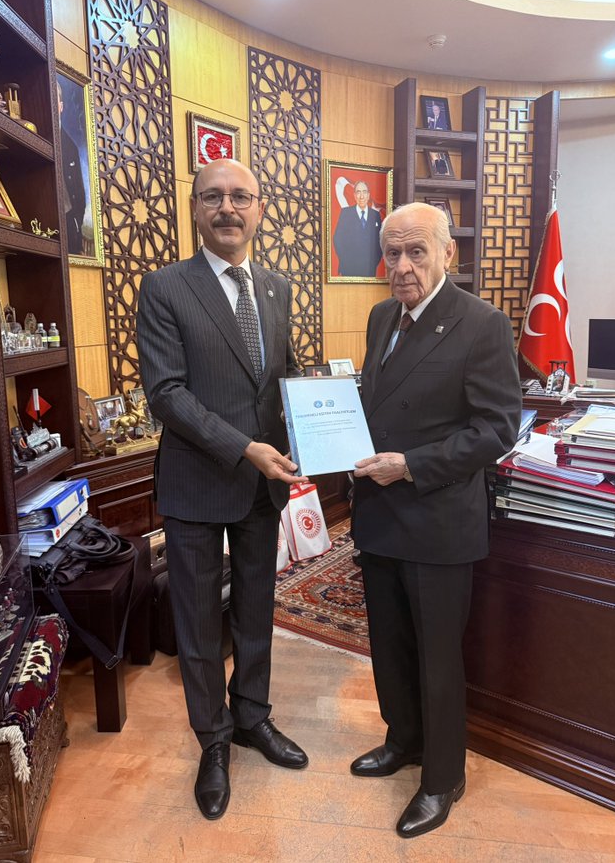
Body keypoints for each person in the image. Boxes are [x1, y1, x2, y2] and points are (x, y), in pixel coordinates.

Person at [136, 158, 309, 822]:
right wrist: (245, 448)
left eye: (240, 196)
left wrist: (316, 426)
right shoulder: (165, 288)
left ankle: (252, 718)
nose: (227, 208)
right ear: (195, 210)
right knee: (200, 620)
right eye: (213, 197)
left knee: (256, 611)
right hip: (198, 484)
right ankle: (212, 739)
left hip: (262, 487)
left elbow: (283, 377)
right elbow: (167, 394)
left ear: (259, 209)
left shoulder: (276, 287)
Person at [350, 201, 521, 839]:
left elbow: (497, 428)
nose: (401, 266)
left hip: (437, 518)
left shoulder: (483, 324)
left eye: (416, 251)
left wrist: (413, 465)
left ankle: (443, 776)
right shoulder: (378, 318)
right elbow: (375, 406)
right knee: (390, 646)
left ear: (448, 253)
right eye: (392, 252)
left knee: (437, 657)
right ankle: (403, 742)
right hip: (379, 516)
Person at [57, 81, 86, 255]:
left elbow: (79, 194)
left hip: (69, 220)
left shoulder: (70, 147)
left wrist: (76, 223)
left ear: (61, 106)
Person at [333, 180, 382, 277]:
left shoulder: (375, 215)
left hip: (369, 270)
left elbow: (380, 241)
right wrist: (346, 261)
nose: (361, 196)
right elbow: (337, 239)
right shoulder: (346, 213)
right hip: (349, 269)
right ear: (355, 195)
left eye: (364, 192)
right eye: (358, 192)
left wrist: (373, 262)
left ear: (368, 195)